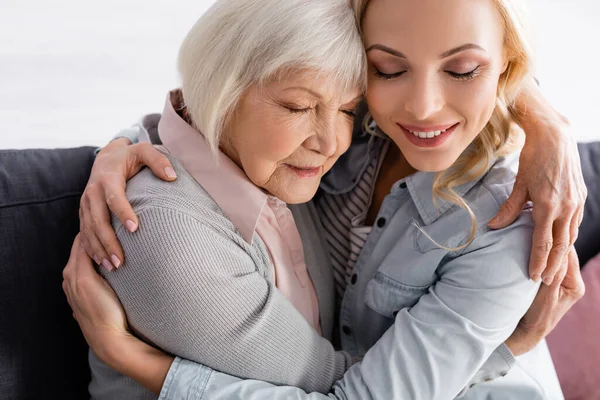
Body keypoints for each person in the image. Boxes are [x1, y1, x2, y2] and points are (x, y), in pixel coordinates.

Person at [63, 0, 587, 398]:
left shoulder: (509, 221)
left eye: (463, 70)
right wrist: (121, 148)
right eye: (387, 69)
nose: (423, 108)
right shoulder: (366, 124)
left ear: (506, 68)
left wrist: (141, 363)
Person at [75, 0, 368, 398]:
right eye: (299, 107)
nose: (332, 143)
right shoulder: (162, 230)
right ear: (221, 90)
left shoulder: (274, 171)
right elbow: (346, 386)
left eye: (349, 110)